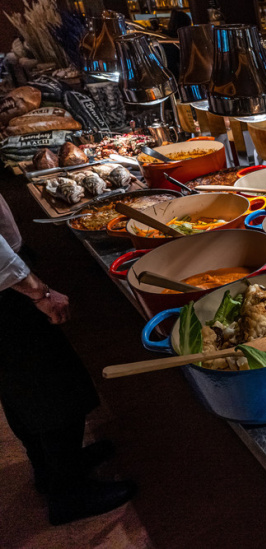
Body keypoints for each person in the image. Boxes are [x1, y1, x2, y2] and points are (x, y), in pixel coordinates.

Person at [0, 194, 136, 526]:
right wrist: (38, 291)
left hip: (8, 282)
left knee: (18, 383)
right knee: (50, 383)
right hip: (7, 288)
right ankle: (69, 493)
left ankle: (52, 469)